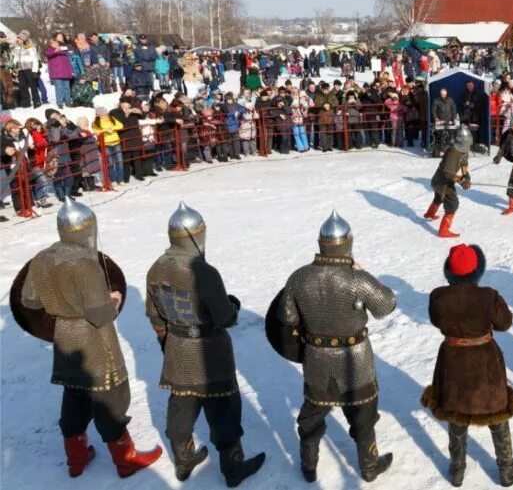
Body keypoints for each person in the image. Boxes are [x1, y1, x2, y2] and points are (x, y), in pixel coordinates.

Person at [20, 199, 163, 478]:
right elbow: (99, 315)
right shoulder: (86, 264)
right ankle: (126, 459)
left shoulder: (42, 258)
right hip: (95, 341)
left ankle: (75, 457)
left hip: (65, 339)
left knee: (74, 393)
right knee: (109, 397)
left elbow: (30, 300)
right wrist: (113, 300)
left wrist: (60, 304)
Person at [145, 202, 265, 486]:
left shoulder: (155, 268)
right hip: (210, 352)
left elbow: (155, 315)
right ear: (197, 236)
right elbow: (224, 318)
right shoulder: (204, 271)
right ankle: (233, 468)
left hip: (178, 346)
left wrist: (169, 344)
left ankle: (184, 460)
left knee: (182, 403)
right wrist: (233, 305)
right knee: (223, 406)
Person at [277, 211, 397, 483]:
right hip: (355, 358)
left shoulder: (299, 277)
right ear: (347, 243)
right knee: (363, 416)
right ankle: (368, 466)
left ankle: (309, 466)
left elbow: (287, 318)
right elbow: (386, 305)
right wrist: (364, 273)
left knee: (312, 414)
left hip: (317, 358)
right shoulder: (357, 279)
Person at [421, 244, 513, 487]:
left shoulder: (438, 297)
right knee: (496, 410)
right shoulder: (488, 296)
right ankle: (507, 469)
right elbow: (505, 323)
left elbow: (437, 320)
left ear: (449, 271)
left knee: (456, 411)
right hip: (485, 362)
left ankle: (457, 470)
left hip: (452, 361)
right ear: (476, 270)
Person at [423, 127, 472, 238]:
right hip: (442, 181)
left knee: (439, 197)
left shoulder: (464, 150)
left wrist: (466, 177)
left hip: (444, 180)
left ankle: (430, 213)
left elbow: (464, 165)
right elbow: (448, 173)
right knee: (452, 204)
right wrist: (461, 181)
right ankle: (443, 230)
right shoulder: (453, 152)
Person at [46, 32, 74, 108]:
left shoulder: (64, 51)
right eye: (53, 43)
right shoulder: (50, 50)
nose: (55, 45)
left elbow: (68, 62)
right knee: (59, 88)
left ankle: (68, 102)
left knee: (67, 88)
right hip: (56, 74)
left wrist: (71, 71)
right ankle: (60, 102)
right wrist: (55, 51)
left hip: (66, 73)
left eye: (56, 43)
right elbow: (48, 54)